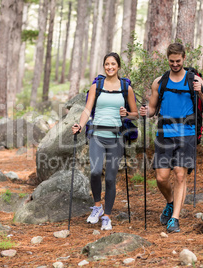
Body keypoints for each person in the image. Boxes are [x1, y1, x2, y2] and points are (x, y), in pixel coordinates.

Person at [140, 43, 203, 233]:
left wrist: (201, 91)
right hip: (164, 134)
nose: (175, 64)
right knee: (161, 177)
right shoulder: (160, 82)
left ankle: (175, 219)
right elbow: (151, 108)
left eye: (178, 61)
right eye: (171, 61)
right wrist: (144, 111)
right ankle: (171, 202)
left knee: (180, 175)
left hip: (186, 134)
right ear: (168, 59)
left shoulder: (194, 80)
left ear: (184, 59)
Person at [72, 52, 138, 231]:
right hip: (97, 135)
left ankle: (107, 216)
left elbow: (135, 114)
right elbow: (87, 110)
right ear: (104, 66)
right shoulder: (97, 86)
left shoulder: (126, 88)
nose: (110, 67)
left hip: (116, 137)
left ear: (118, 66)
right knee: (94, 171)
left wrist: (127, 114)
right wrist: (80, 124)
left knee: (110, 177)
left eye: (113, 64)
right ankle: (97, 206)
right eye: (107, 64)